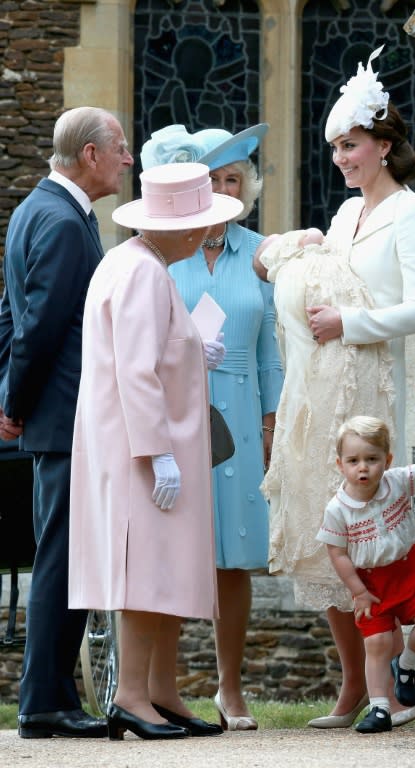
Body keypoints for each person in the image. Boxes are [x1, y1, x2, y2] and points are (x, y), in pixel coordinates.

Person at [255, 46, 415, 728]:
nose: (340, 158)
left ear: (384, 146)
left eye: (351, 145)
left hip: (367, 391)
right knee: (323, 525)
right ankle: (352, 685)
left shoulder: (412, 212)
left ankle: (382, 684)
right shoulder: (340, 216)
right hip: (321, 389)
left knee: (365, 539)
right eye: (333, 147)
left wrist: (350, 321)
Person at [68, 161, 243, 740]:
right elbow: (135, 371)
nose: (203, 234)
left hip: (151, 445)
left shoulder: (137, 263)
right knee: (145, 572)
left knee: (165, 570)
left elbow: (154, 352)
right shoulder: (142, 271)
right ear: (181, 228)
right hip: (143, 451)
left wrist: (195, 352)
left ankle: (162, 692)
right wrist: (157, 452)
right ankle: (133, 697)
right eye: (200, 223)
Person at [140, 123, 283, 730]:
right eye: (213, 178)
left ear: (245, 188)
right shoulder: (164, 251)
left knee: (233, 560)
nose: (223, 187)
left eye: (233, 179)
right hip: (178, 413)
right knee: (174, 552)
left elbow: (271, 348)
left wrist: (274, 420)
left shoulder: (260, 252)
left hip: (244, 419)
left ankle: (230, 689)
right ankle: (154, 686)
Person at [0, 107, 133, 739]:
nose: (128, 160)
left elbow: (9, 315)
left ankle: (47, 697)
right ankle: (45, 702)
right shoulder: (58, 219)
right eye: (121, 149)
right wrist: (15, 403)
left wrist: (7, 396)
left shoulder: (37, 209)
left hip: (51, 412)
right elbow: (38, 325)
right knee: (63, 556)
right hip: (63, 416)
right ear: (90, 156)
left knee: (62, 552)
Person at [316, 416, 415, 733]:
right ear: (340, 465)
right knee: (375, 642)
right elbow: (337, 553)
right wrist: (358, 591)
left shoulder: (397, 481)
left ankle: (405, 667)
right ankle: (379, 708)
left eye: (372, 459)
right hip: (371, 583)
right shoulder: (337, 509)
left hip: (409, 569)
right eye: (353, 461)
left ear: (387, 460)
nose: (363, 468)